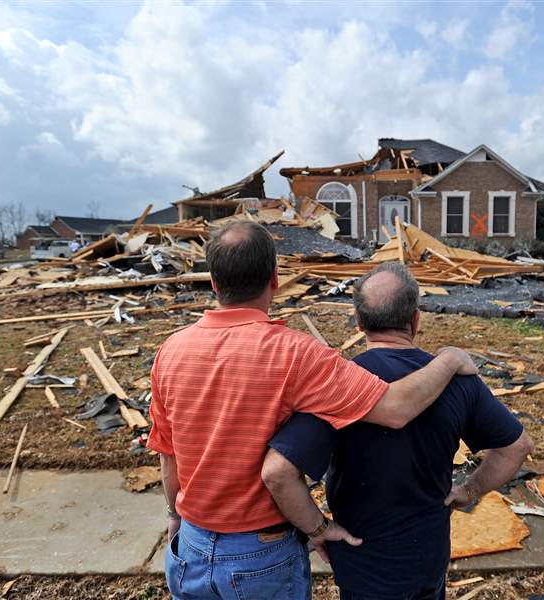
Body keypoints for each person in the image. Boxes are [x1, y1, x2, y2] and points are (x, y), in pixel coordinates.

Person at [148, 222, 478, 600]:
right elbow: (397, 408)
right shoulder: (296, 354)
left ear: (213, 282)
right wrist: (450, 360)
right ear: (275, 279)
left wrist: (174, 515)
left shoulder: (171, 351)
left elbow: (168, 453)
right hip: (261, 557)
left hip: (188, 549)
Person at [262, 262, 534, 600]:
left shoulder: (339, 384)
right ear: (416, 320)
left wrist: (317, 528)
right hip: (428, 559)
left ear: (358, 323)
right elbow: (517, 446)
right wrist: (469, 490)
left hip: (363, 562)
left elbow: (278, 473)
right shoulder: (457, 380)